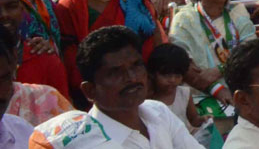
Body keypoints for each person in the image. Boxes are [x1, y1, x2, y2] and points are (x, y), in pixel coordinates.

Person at [30, 25, 203, 149]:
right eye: (114, 72)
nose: (132, 78)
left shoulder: (158, 112)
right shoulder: (81, 141)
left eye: (136, 65)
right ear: (90, 90)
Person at [168, 0, 254, 117]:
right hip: (197, 93)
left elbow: (252, 52)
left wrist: (220, 69)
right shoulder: (185, 18)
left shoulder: (238, 13)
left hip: (238, 89)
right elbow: (183, 64)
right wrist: (217, 89)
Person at [146, 42, 204, 131]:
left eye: (177, 76)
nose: (172, 80)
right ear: (153, 74)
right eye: (166, 75)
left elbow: (193, 119)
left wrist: (202, 120)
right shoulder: (148, 99)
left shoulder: (184, 94)